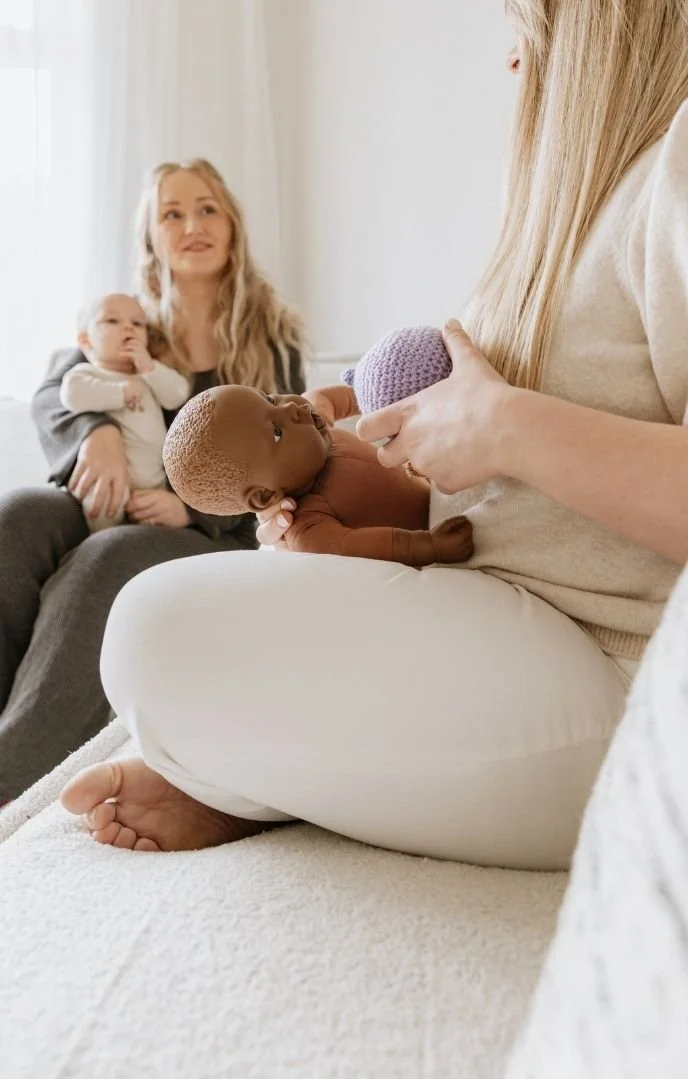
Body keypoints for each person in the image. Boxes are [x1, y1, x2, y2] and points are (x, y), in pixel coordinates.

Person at [61, 2, 688, 870]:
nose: (510, 69)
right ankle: (271, 777)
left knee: (150, 629)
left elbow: (509, 443)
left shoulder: (677, 166)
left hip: (618, 676)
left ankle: (256, 779)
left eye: (529, 36)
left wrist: (509, 426)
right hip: (494, 610)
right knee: (160, 616)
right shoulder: (574, 218)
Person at [0, 158, 306, 800]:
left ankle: (12, 778)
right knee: (18, 515)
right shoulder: (129, 322)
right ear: (152, 237)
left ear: (232, 225)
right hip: (106, 498)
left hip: (211, 530)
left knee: (107, 557)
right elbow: (56, 386)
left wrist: (192, 510)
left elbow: (290, 460)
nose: (192, 224)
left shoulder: (270, 342)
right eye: (172, 213)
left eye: (207, 209)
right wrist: (97, 435)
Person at [161, 383, 474, 565]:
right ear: (265, 496)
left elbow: (339, 398)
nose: (291, 409)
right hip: (433, 529)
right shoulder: (309, 526)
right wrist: (428, 546)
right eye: (276, 432)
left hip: (434, 481)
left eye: (269, 399)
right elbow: (355, 546)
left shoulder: (314, 428)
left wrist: (376, 391)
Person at [61, 293, 190, 530]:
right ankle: (96, 539)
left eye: (138, 323)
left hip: (154, 483)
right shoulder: (86, 373)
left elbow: (178, 395)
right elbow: (72, 396)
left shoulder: (148, 375)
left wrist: (149, 367)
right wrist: (120, 393)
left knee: (151, 526)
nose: (128, 327)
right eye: (112, 321)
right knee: (102, 516)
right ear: (85, 340)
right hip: (109, 482)